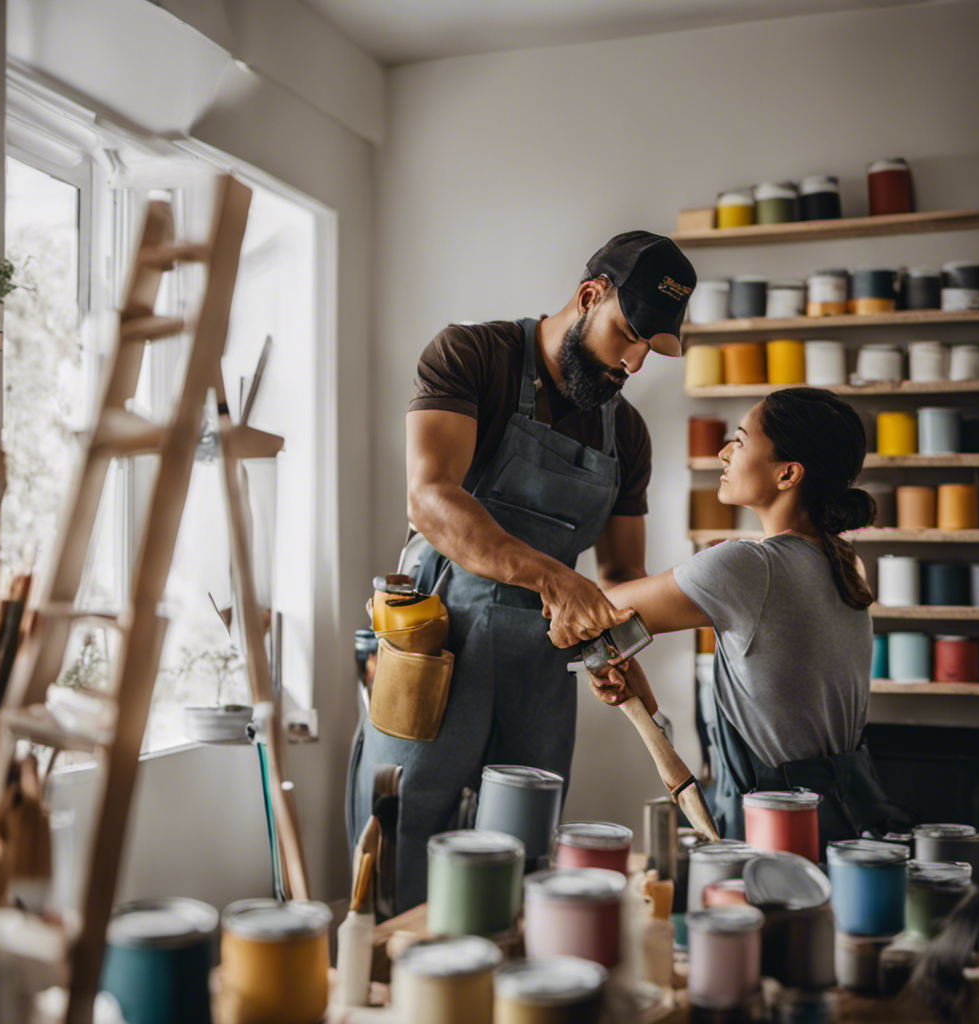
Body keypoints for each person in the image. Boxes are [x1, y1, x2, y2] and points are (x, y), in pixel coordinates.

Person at [347, 231, 697, 913]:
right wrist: (556, 580)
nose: (630, 364)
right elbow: (431, 497)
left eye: (647, 352)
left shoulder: (625, 433)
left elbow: (621, 569)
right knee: (398, 832)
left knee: (524, 846)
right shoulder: (475, 356)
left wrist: (617, 642)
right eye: (626, 334)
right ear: (590, 295)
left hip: (544, 655)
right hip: (436, 638)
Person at [576, 387, 909, 847]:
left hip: (772, 831)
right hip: (848, 822)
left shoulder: (748, 567)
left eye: (740, 439)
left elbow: (593, 615)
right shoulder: (845, 562)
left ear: (788, 473)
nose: (722, 452)